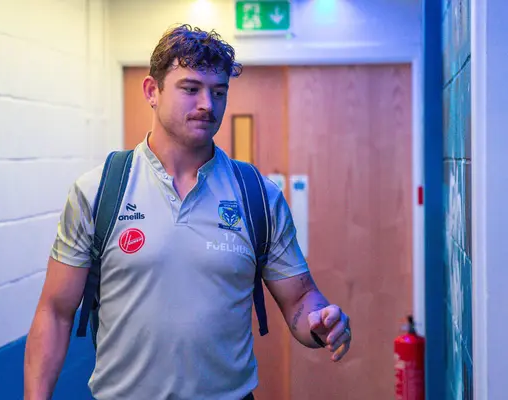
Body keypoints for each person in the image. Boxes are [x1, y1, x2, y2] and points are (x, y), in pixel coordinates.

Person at [24, 24, 351, 400]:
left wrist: (321, 322)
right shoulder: (98, 192)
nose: (207, 105)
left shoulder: (258, 195)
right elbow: (55, 311)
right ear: (152, 91)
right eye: (191, 89)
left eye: (218, 92)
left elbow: (300, 298)